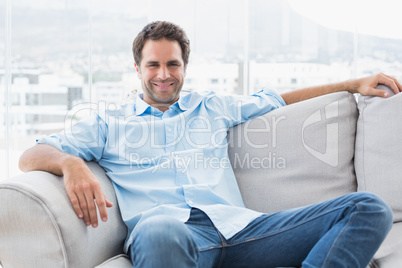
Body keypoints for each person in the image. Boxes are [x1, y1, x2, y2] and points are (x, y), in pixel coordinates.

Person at [19, 21, 401, 268]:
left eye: (173, 64)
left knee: (368, 208)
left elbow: (280, 99)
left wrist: (353, 84)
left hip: (247, 233)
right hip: (172, 238)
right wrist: (71, 165)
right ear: (137, 69)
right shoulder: (109, 122)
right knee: (159, 228)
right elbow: (32, 154)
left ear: (184, 67)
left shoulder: (212, 106)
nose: (164, 75)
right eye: (153, 65)